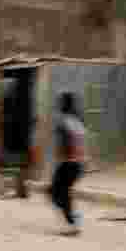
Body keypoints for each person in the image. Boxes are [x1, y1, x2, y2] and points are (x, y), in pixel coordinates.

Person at [50, 92, 87, 236]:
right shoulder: (78, 120)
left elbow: (67, 142)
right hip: (79, 163)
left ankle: (73, 222)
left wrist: (64, 157)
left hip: (69, 163)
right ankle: (73, 219)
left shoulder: (63, 121)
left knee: (57, 192)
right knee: (62, 192)